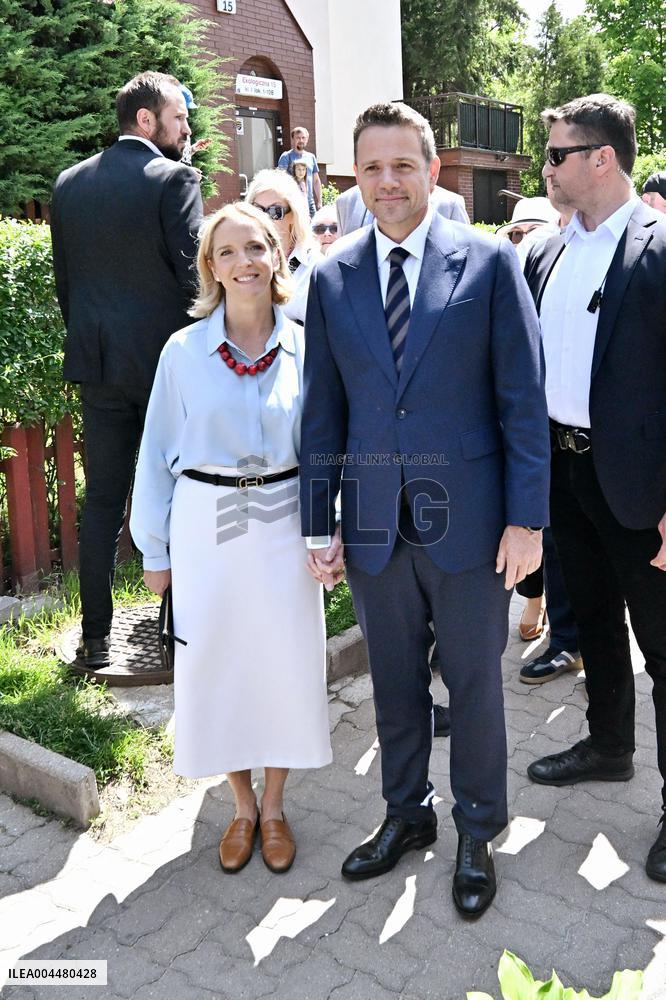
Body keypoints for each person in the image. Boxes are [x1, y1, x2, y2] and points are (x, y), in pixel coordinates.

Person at [300, 102, 550, 917]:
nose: (387, 181)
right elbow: (322, 411)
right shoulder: (332, 277)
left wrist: (527, 518)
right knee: (396, 686)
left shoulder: (485, 263)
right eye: (370, 167)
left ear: (433, 170)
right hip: (373, 522)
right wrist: (318, 520)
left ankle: (478, 827)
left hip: (473, 522)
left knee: (475, 685)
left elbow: (522, 401)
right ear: (354, 179)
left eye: (402, 164)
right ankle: (406, 816)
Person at [130, 202, 332, 874]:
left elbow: (330, 449)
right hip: (205, 532)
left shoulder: (308, 344)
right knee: (215, 666)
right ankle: (239, 807)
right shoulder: (182, 352)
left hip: (284, 525)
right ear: (210, 268)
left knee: (284, 665)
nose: (243, 262)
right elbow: (156, 452)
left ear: (276, 256)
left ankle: (275, 806)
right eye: (228, 252)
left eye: (256, 248)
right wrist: (154, 551)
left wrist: (329, 532)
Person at [523, 93, 666, 883]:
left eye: (555, 155)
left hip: (642, 484)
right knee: (594, 627)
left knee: (665, 648)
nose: (543, 167)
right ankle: (609, 746)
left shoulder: (659, 247)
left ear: (600, 158)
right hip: (564, 471)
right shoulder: (542, 252)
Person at [50, 71, 203, 671]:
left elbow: (69, 287)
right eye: (179, 119)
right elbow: (195, 282)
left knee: (103, 501)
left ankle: (94, 639)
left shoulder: (68, 183)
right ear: (147, 121)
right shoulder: (175, 179)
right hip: (167, 370)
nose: (186, 130)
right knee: (181, 498)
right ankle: (178, 631)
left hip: (99, 369)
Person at [246, 168, 320, 325]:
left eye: (275, 211)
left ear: (293, 214)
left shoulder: (315, 267)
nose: (264, 218)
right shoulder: (238, 262)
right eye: (257, 210)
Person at [336, 180, 470, 236]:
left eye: (402, 165)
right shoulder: (346, 202)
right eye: (373, 167)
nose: (387, 181)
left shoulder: (449, 205)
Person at [277, 126, 322, 212]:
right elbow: (280, 181)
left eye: (303, 138)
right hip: (293, 204)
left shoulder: (311, 157)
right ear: (293, 139)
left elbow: (316, 181)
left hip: (310, 204)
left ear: (307, 139)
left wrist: (319, 201)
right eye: (298, 138)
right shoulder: (286, 157)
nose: (301, 140)